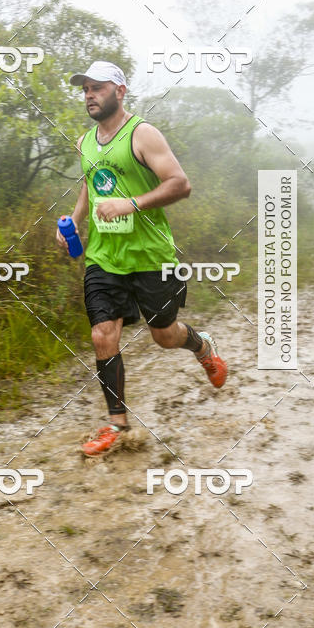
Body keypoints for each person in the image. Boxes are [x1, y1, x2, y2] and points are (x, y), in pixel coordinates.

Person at [56, 60, 227, 455]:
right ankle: (117, 424)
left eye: (97, 88)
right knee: (103, 333)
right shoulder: (84, 143)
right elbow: (90, 186)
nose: (89, 95)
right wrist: (75, 222)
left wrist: (130, 204)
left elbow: (180, 185)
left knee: (164, 335)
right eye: (85, 89)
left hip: (151, 256)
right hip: (103, 257)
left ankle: (202, 347)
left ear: (120, 91)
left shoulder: (142, 134)